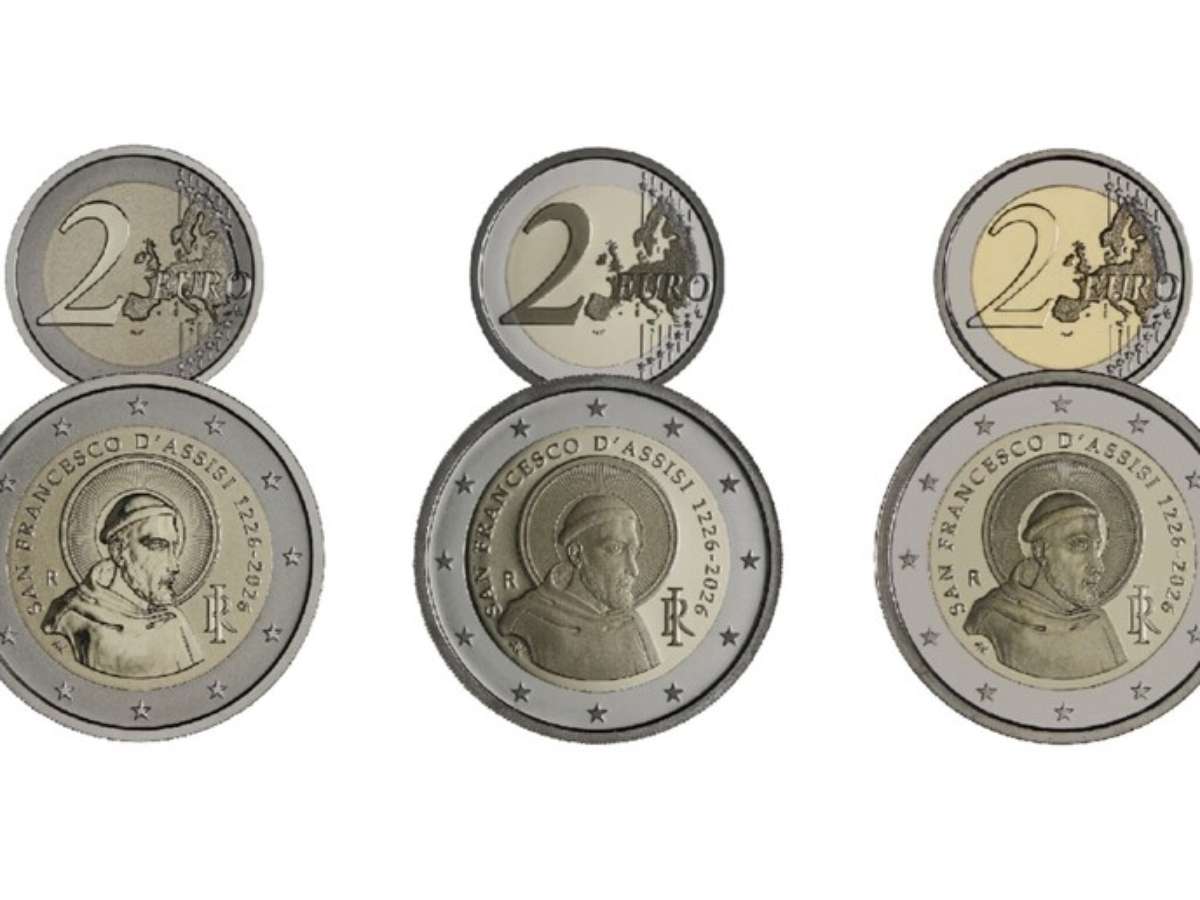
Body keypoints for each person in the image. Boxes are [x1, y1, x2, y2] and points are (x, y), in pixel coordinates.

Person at [965, 491, 1125, 679]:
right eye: (1079, 545)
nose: (1098, 566)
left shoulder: (1098, 623)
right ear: (1040, 551)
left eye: (1096, 547)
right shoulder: (991, 620)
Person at [43, 492, 203, 678]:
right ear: (119, 551)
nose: (174, 566)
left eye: (174, 547)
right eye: (158, 546)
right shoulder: (71, 620)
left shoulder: (173, 622)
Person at [500, 494, 659, 680]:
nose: (634, 569)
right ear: (576, 555)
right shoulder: (527, 620)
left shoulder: (631, 624)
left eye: (634, 551)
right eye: (615, 549)